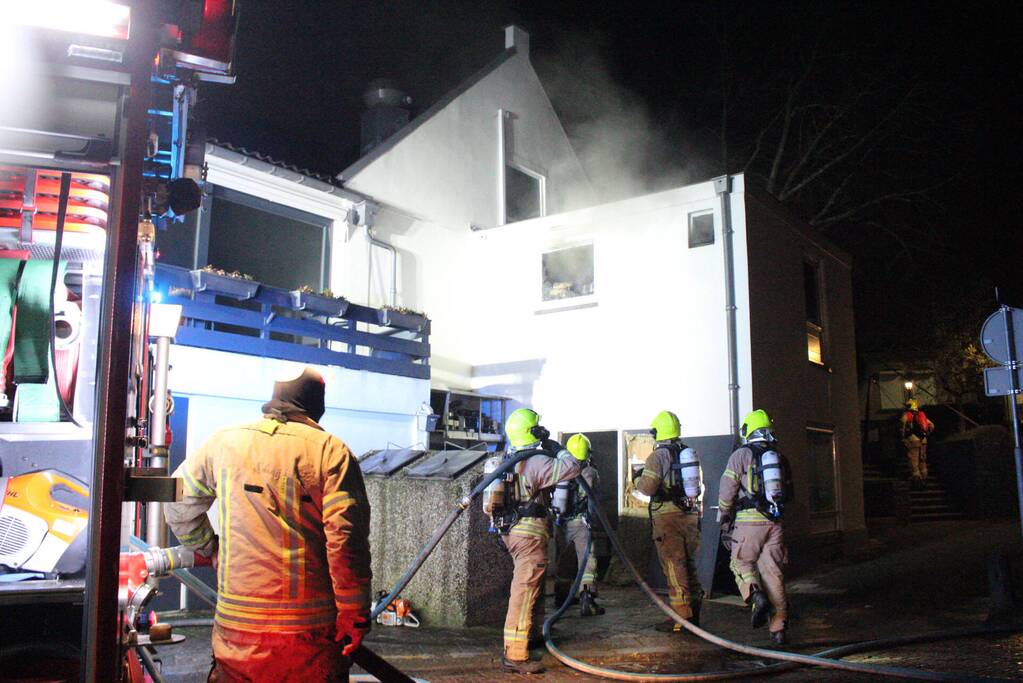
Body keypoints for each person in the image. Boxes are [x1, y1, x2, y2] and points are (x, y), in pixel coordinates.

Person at [165, 367, 372, 682]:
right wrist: (354, 615)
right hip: (308, 638)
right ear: (316, 402)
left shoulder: (223, 444)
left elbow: (177, 502)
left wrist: (209, 547)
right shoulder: (331, 453)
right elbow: (346, 543)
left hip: (237, 633)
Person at [484, 408, 581, 674]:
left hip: (512, 533)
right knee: (525, 591)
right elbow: (573, 467)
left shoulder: (507, 459)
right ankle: (515, 655)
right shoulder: (536, 461)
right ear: (533, 431)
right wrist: (555, 446)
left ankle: (531, 635)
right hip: (529, 535)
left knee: (531, 587)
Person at [716, 409, 792, 645]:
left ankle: (755, 595)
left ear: (748, 431)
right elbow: (790, 492)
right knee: (773, 573)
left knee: (739, 562)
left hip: (749, 521)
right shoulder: (779, 457)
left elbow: (727, 489)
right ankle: (778, 629)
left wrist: (723, 514)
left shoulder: (741, 455)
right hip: (775, 521)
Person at [635, 410, 703, 634]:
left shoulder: (658, 456)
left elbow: (647, 488)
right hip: (690, 515)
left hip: (667, 517)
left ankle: (681, 619)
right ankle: (695, 612)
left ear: (658, 432)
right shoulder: (687, 453)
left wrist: (638, 478)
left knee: (674, 567)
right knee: (688, 565)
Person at [555, 433, 604, 617]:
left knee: (564, 561)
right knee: (587, 561)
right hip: (583, 523)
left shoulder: (561, 470)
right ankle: (587, 600)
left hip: (562, 523)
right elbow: (594, 501)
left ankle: (561, 598)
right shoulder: (590, 472)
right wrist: (595, 523)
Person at [900, 399, 934, 486]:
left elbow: (902, 428)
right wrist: (926, 434)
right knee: (922, 459)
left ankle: (917, 479)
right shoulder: (922, 415)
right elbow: (932, 425)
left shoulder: (906, 415)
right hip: (923, 441)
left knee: (913, 459)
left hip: (913, 440)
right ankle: (925, 477)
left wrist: (903, 437)